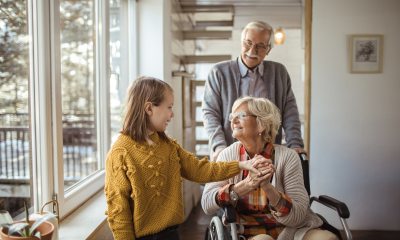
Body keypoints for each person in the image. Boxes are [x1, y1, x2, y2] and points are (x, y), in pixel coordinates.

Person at [104, 76, 270, 240]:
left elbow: (201, 170)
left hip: (172, 234)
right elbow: (119, 212)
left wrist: (242, 164)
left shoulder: (168, 145)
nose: (172, 114)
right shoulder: (120, 152)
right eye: (169, 107)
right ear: (149, 109)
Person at [201, 97, 338, 240]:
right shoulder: (227, 155)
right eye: (232, 116)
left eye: (241, 116)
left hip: (292, 230)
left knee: (328, 238)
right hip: (247, 233)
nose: (233, 121)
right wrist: (246, 185)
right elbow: (207, 203)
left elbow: (297, 217)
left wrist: (267, 187)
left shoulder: (288, 157)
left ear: (261, 124)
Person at [202, 20, 305, 161]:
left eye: (260, 46)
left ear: (268, 49)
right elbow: (210, 113)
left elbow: (289, 112)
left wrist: (295, 144)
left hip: (269, 154)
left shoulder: (279, 72)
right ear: (241, 43)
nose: (252, 51)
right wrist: (219, 147)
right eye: (248, 43)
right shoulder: (219, 72)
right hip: (230, 153)